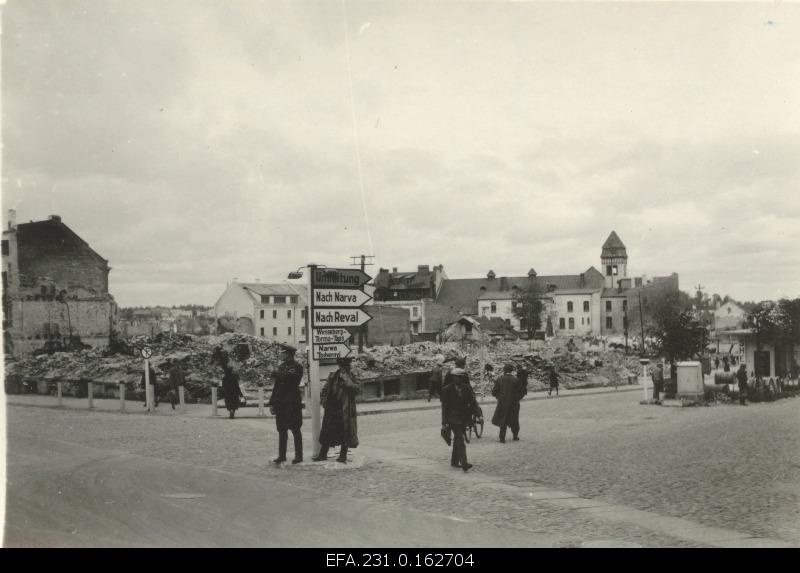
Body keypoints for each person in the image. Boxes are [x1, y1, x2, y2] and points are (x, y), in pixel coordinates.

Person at [314, 357, 360, 463]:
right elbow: (325, 389)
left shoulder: (352, 376)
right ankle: (322, 454)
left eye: (345, 367)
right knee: (327, 431)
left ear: (348, 366)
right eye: (341, 366)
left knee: (345, 432)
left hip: (345, 408)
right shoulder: (333, 375)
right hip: (332, 408)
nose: (343, 368)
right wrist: (324, 400)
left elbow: (357, 390)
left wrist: (347, 379)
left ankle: (343, 456)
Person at [441, 357, 480, 472]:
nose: (458, 379)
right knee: (460, 439)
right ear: (453, 377)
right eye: (456, 377)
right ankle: (464, 463)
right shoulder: (447, 390)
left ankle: (454, 461)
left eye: (460, 377)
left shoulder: (466, 388)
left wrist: (479, 415)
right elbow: (445, 407)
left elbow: (472, 402)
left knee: (458, 439)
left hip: (463, 417)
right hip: (452, 419)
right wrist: (444, 422)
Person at [268, 344, 304, 464]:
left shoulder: (297, 367)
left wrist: (274, 373)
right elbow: (277, 387)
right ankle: (282, 455)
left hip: (292, 403)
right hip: (281, 403)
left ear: (289, 354)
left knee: (295, 429)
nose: (281, 354)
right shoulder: (282, 367)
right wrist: (272, 403)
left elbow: (289, 379)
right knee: (282, 430)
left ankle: (299, 455)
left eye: (283, 352)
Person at [491, 364, 524, 442]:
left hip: (502, 403)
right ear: (512, 370)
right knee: (515, 419)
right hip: (514, 404)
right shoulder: (516, 380)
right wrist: (516, 399)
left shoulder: (499, 379)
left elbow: (494, 392)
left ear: (504, 370)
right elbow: (521, 392)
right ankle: (515, 435)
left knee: (503, 419)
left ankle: (502, 437)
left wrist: (498, 397)